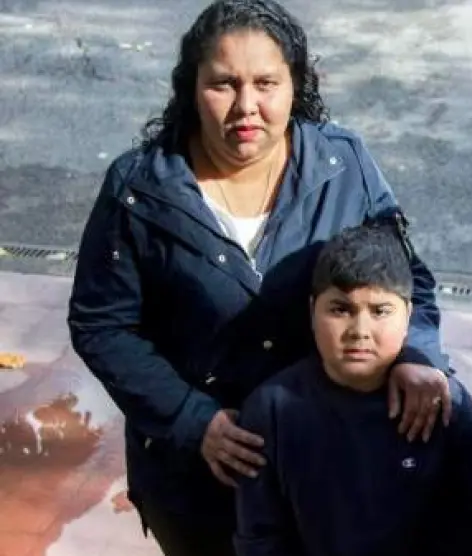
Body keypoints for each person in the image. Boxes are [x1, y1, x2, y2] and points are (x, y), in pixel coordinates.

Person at [66, 1, 452, 555]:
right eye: (223, 84)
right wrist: (191, 419)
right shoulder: (139, 188)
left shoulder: (342, 165)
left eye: (266, 83)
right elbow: (102, 325)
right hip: (199, 486)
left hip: (329, 468)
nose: (246, 106)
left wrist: (417, 354)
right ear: (191, 88)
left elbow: (406, 277)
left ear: (295, 85)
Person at [233, 223, 472, 556]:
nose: (359, 331)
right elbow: (260, 535)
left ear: (408, 315)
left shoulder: (445, 405)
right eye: (340, 310)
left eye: (380, 311)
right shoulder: (271, 409)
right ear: (312, 311)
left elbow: (467, 526)